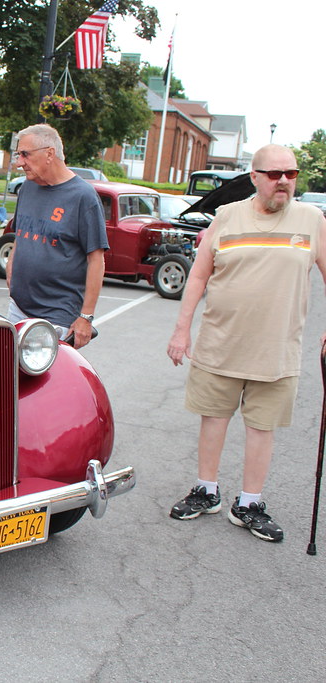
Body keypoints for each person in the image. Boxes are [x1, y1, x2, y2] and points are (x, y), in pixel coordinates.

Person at [166, 144, 326, 542]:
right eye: (274, 174)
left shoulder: (311, 220)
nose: (284, 181)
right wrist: (181, 331)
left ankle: (249, 503)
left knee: (262, 428)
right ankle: (206, 490)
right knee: (213, 419)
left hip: (276, 351)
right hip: (220, 344)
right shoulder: (227, 216)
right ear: (254, 177)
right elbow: (199, 276)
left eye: (291, 173)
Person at [4, 123, 107, 348]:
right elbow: (19, 235)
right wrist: (12, 263)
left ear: (49, 153)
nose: (19, 162)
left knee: (44, 381)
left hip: (56, 316)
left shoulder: (83, 196)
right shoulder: (27, 188)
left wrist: (86, 318)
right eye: (18, 154)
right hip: (18, 308)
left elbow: (96, 259)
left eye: (25, 154)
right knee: (8, 378)